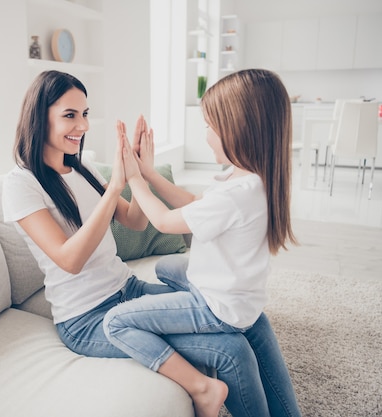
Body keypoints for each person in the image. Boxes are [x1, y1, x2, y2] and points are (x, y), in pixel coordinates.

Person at [2, 69, 300, 417]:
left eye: (84, 114)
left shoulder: (81, 168)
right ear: (39, 117)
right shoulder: (21, 184)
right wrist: (115, 186)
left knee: (251, 324)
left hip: (127, 290)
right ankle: (204, 390)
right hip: (84, 319)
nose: (82, 126)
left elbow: (136, 219)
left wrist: (142, 172)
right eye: (69, 115)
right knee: (230, 351)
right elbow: (69, 260)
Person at [103, 69, 301, 416]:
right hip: (238, 295)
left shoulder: (238, 194)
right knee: (167, 267)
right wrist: (149, 173)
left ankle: (207, 388)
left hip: (216, 307)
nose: (206, 135)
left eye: (210, 126)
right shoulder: (251, 179)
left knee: (116, 321)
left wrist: (134, 179)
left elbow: (163, 222)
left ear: (238, 129)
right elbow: (195, 203)